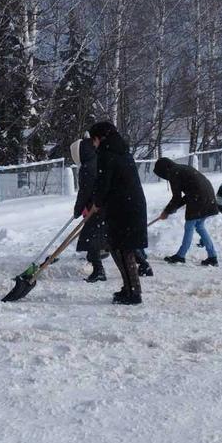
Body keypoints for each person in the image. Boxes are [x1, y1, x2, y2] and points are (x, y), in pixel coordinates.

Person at [86, 121, 148, 305]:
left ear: (100, 138)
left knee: (122, 250)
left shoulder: (107, 154)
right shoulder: (121, 150)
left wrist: (97, 202)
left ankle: (133, 293)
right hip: (129, 205)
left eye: (93, 140)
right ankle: (130, 288)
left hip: (123, 208)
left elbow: (104, 182)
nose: (93, 144)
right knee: (121, 249)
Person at [153, 156, 219, 266]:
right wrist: (171, 209)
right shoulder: (180, 169)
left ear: (164, 170)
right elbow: (186, 194)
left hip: (198, 199)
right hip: (208, 197)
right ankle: (212, 256)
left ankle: (181, 255)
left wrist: (167, 211)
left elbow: (177, 197)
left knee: (189, 227)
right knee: (200, 226)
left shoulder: (174, 173)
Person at [70, 136, 109, 282]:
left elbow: (85, 191)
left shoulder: (87, 167)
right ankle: (142, 263)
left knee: (91, 238)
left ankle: (99, 270)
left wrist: (77, 209)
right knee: (114, 238)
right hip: (106, 205)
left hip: (97, 208)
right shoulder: (99, 159)